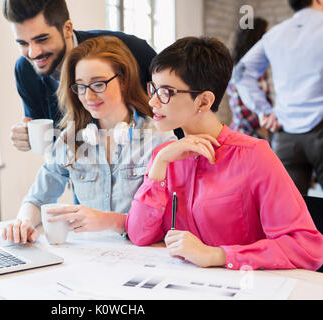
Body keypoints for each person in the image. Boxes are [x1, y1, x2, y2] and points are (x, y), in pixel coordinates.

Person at [126, 36, 323, 271]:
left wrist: (218, 255)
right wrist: (158, 165)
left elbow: (307, 248)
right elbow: (139, 235)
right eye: (154, 89)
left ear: (204, 101)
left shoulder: (254, 156)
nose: (152, 101)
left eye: (166, 92)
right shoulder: (165, 155)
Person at [2, 36, 175, 244]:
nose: (88, 96)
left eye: (98, 84)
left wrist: (109, 221)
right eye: (81, 87)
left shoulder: (159, 139)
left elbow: (170, 220)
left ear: (124, 80)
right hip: (92, 257)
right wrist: (23, 222)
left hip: (146, 254)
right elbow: (38, 199)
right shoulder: (71, 140)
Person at [2, 0, 164, 153]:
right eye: (23, 43)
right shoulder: (25, 70)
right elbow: (49, 142)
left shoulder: (130, 50)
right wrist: (26, 136)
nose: (33, 53)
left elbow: (173, 111)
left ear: (67, 29)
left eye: (42, 39)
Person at [234, 0, 323, 194]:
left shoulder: (275, 34)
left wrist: (263, 110)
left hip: (286, 136)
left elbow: (240, 73)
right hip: (320, 127)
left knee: (292, 211)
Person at [227, 17, 272, 140]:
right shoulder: (240, 70)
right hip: (246, 135)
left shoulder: (259, 69)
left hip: (261, 131)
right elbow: (242, 112)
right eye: (266, 35)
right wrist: (265, 130)